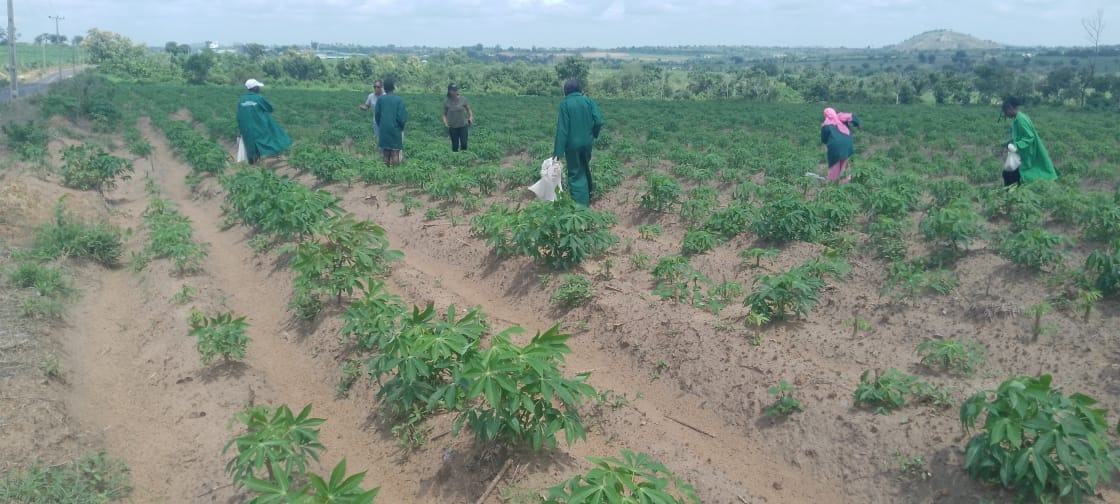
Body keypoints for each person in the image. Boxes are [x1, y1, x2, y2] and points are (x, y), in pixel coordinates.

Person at [552, 79, 604, 207]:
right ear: (580, 90)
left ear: (566, 91)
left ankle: (580, 206)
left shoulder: (565, 104)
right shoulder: (588, 101)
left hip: (572, 145)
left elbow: (562, 130)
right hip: (587, 142)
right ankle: (588, 195)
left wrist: (557, 153)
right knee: (585, 167)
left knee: (575, 174)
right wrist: (593, 134)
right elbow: (598, 121)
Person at [1001, 97, 1058, 186]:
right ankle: (1015, 190)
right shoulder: (1018, 118)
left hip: (1027, 151)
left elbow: (1029, 137)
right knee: (1011, 173)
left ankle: (1011, 192)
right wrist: (1008, 143)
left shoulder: (1021, 120)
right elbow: (1020, 135)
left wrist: (1016, 146)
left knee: (1009, 173)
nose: (1005, 114)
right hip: (1023, 150)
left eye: (1005, 111)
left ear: (1010, 108)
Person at [237, 78, 292, 165]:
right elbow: (270, 109)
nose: (259, 88)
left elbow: (239, 114)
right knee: (269, 137)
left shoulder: (242, 99)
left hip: (245, 126)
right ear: (254, 88)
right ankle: (277, 151)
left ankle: (252, 162)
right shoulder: (259, 97)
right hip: (258, 125)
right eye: (258, 87)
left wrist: (239, 129)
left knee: (250, 143)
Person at [820, 107, 861, 183]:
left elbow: (824, 139)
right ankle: (845, 180)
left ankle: (833, 182)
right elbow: (851, 117)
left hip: (835, 146)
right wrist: (858, 125)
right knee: (845, 162)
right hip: (848, 145)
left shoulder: (826, 125)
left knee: (834, 164)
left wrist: (828, 143)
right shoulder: (841, 119)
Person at [374, 80, 407, 166]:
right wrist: (402, 127)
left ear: (384, 88)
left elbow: (377, 115)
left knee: (386, 152)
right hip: (395, 129)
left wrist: (381, 125)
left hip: (384, 128)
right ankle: (395, 174)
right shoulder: (398, 100)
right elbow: (401, 117)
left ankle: (386, 174)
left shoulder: (380, 99)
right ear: (393, 88)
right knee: (395, 152)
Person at [442, 83, 473, 152]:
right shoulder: (446, 101)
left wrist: (470, 117)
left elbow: (468, 109)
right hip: (452, 126)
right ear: (449, 91)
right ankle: (455, 159)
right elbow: (444, 114)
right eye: (453, 90)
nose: (455, 92)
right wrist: (445, 123)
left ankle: (464, 158)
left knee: (464, 144)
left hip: (463, 125)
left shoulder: (463, 99)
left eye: (456, 90)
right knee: (455, 146)